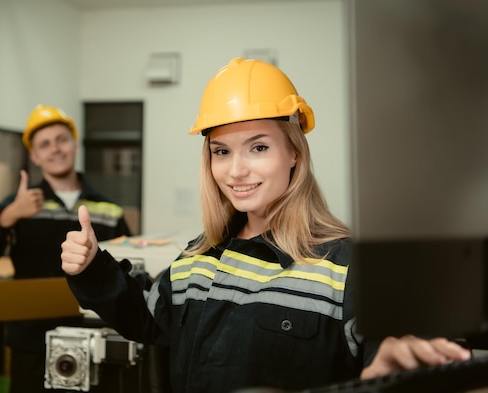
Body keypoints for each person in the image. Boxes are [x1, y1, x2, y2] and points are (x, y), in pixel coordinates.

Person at [59, 58, 471, 393]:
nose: (236, 171)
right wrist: (94, 266)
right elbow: (147, 316)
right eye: (221, 151)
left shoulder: (345, 267)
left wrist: (398, 369)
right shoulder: (198, 257)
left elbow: (395, 352)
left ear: (294, 152)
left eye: (258, 147)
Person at [0, 104, 132, 393]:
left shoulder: (108, 208)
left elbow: (125, 267)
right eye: (44, 144)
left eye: (61, 140)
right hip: (32, 339)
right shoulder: (21, 204)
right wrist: (10, 215)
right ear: (35, 155)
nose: (55, 149)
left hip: (92, 333)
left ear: (74, 145)